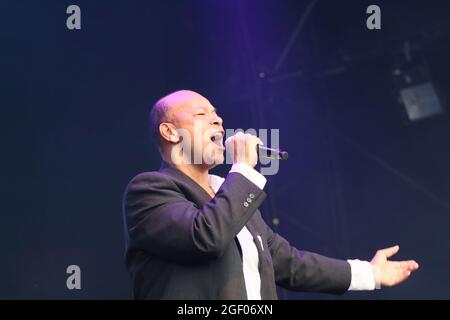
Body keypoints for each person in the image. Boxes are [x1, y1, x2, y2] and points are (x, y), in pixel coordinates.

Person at [122, 90, 419, 299]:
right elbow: (205, 237)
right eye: (202, 114)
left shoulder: (229, 194)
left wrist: (370, 274)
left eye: (217, 115)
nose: (218, 121)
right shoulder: (149, 190)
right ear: (170, 132)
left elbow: (288, 262)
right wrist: (243, 170)